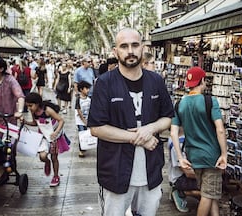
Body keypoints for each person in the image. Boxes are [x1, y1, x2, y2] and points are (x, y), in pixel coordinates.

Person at [88, 28, 174, 216]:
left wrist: (150, 128)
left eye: (135, 45)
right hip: (115, 171)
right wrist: (139, 137)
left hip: (151, 170)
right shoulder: (104, 83)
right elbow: (96, 127)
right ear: (115, 51)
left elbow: (168, 116)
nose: (130, 51)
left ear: (142, 47)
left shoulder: (156, 81)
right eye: (124, 46)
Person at [170, 66, 227, 216]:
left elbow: (174, 132)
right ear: (202, 81)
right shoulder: (210, 101)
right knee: (208, 195)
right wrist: (224, 154)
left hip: (193, 155)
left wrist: (180, 157)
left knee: (208, 191)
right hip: (211, 156)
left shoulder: (179, 104)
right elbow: (220, 129)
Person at [24, 92, 70, 187]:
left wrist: (56, 132)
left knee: (54, 157)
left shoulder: (47, 110)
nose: (29, 108)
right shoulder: (33, 112)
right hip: (44, 137)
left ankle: (56, 176)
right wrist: (25, 122)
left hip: (54, 137)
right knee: (42, 156)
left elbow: (61, 120)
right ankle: (47, 162)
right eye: (27, 106)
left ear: (37, 104)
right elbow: (35, 123)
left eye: (30, 105)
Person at [75, 81, 92, 157]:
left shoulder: (89, 99)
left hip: (87, 119)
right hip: (80, 121)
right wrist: (84, 120)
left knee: (85, 133)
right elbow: (79, 110)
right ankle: (81, 150)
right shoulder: (78, 99)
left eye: (88, 88)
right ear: (81, 89)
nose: (88, 90)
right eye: (86, 88)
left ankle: (84, 146)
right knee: (81, 133)